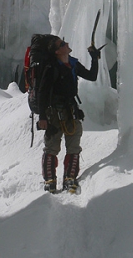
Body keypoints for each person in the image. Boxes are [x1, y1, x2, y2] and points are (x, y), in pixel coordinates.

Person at [38, 36, 99, 192]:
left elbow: (92, 76)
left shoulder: (73, 64)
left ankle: (69, 178)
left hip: (70, 110)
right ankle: (49, 181)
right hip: (53, 112)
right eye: (63, 44)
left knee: (74, 145)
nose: (67, 44)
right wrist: (42, 117)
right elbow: (42, 93)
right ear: (58, 51)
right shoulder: (51, 68)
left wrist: (94, 59)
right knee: (52, 146)